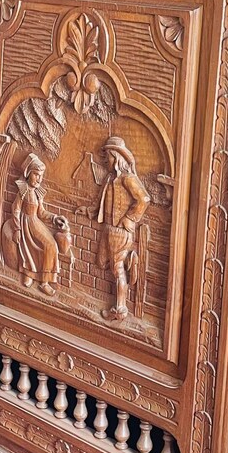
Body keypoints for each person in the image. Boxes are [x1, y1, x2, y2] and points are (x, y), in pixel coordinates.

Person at [95, 136, 149, 321]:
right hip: (109, 229)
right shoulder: (110, 179)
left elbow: (144, 199)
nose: (105, 161)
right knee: (103, 263)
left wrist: (129, 217)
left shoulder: (128, 179)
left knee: (117, 268)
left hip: (120, 231)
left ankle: (120, 309)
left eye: (108, 157)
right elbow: (103, 204)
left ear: (117, 158)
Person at [1, 153, 61, 295]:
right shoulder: (23, 190)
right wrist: (17, 229)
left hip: (35, 221)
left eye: (41, 176)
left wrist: (54, 218)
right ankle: (28, 274)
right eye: (36, 175)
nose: (39, 179)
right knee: (28, 246)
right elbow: (15, 209)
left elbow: (41, 213)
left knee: (51, 245)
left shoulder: (38, 193)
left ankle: (44, 281)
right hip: (25, 222)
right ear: (28, 174)